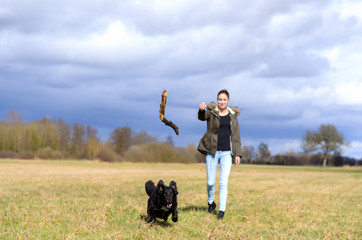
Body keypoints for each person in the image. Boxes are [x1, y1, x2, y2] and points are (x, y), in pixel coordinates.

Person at [197, 89, 242, 220]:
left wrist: (237, 154)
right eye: (220, 99)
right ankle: (211, 203)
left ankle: (221, 211)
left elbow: (236, 136)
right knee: (210, 182)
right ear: (217, 100)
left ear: (228, 101)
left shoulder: (233, 116)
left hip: (227, 153)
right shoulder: (212, 113)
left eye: (224, 100)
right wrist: (201, 110)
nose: (222, 102)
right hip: (212, 152)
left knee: (223, 183)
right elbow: (201, 117)